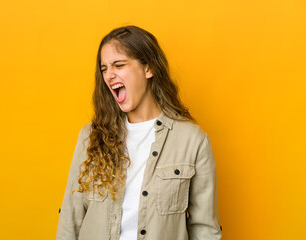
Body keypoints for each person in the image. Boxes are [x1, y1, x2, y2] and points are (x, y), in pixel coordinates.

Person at [56, 25, 222, 240]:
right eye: (104, 68)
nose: (109, 75)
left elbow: (204, 229)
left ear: (148, 68)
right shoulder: (91, 136)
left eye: (119, 65)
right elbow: (71, 218)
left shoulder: (191, 140)